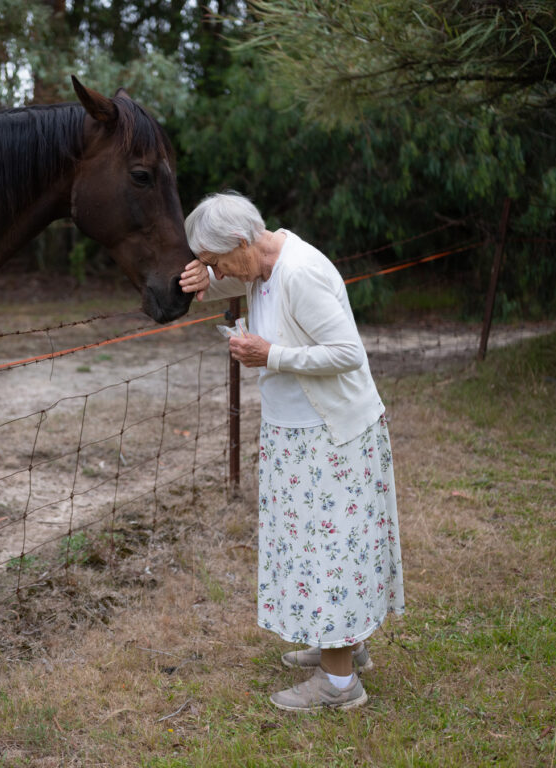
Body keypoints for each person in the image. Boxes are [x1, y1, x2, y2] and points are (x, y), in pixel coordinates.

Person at [178, 192, 404, 712]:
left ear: (241, 241)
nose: (215, 271)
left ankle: (340, 685)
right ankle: (343, 645)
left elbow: (349, 353)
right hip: (298, 436)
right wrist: (203, 282)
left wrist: (270, 355)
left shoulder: (299, 272)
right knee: (317, 551)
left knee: (331, 555)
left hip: (330, 438)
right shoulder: (260, 264)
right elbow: (234, 279)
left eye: (213, 260)